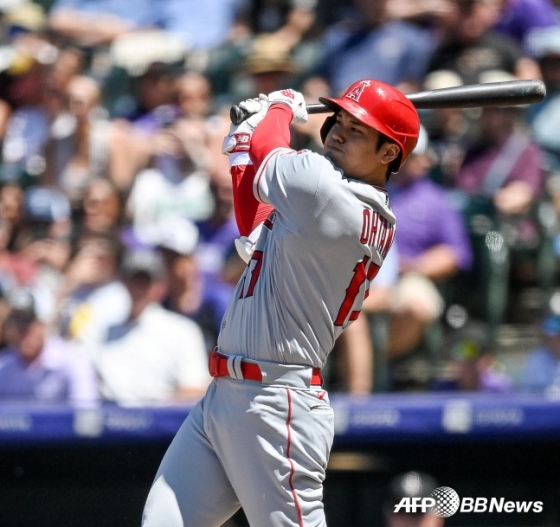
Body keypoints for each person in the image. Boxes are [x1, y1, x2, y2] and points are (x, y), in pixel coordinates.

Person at [141, 78, 420, 526]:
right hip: (229, 394)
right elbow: (254, 219)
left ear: (389, 154)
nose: (338, 132)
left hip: (277, 402)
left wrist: (279, 108)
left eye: (358, 129)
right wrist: (240, 153)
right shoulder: (329, 198)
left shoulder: (327, 190)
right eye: (339, 120)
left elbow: (271, 146)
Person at [88, 248, 211, 405]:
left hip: (163, 425)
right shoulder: (103, 331)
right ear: (124, 283)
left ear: (160, 286)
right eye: (134, 279)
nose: (139, 287)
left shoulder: (183, 331)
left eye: (145, 281)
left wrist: (153, 416)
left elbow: (194, 388)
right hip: (108, 419)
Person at [0, 290, 99, 405]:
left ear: (43, 324)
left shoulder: (73, 360)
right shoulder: (4, 366)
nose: (21, 330)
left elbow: (86, 412)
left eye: (27, 322)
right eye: (15, 324)